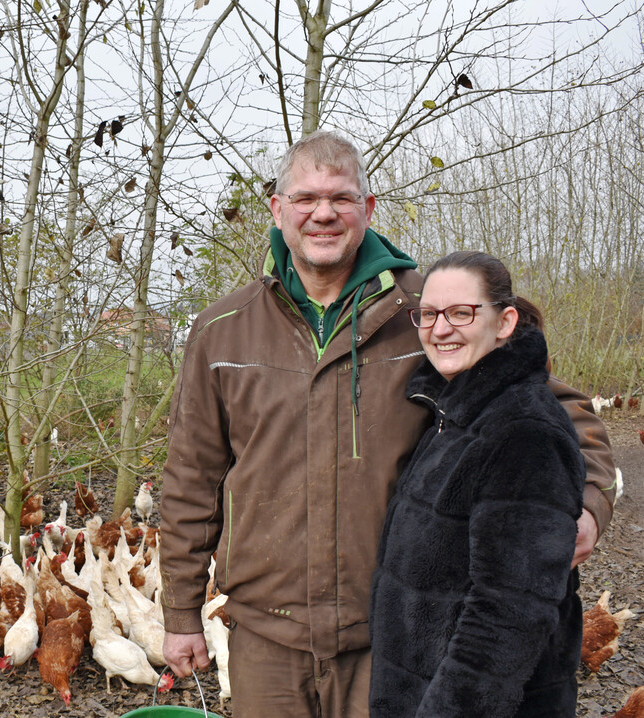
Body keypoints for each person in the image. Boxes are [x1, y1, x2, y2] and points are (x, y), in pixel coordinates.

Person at [158, 130, 617, 718]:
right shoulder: (224, 328)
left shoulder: (431, 313)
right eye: (304, 198)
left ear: (368, 209)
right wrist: (180, 614)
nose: (323, 213)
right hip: (265, 638)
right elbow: (190, 477)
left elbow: (558, 411)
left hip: (395, 638)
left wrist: (586, 504)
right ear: (277, 209)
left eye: (342, 198)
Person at [368, 251, 583, 718]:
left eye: (461, 312)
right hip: (419, 693)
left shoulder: (524, 431)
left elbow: (507, 616)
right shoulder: (452, 412)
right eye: (427, 314)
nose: (440, 328)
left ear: (505, 322)